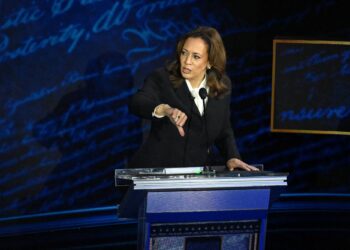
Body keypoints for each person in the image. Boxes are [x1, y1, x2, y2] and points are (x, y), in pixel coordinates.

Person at [128, 26, 258, 171]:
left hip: (197, 176)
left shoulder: (222, 85)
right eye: (184, 53)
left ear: (210, 62)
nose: (187, 61)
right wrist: (164, 109)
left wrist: (232, 156)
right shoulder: (162, 78)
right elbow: (137, 102)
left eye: (196, 56)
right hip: (157, 172)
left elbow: (223, 128)